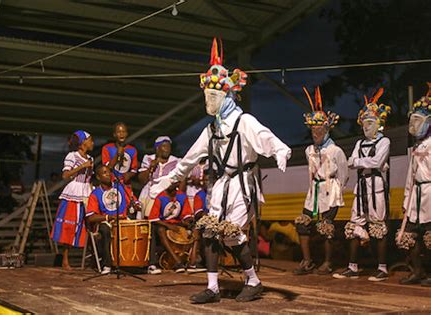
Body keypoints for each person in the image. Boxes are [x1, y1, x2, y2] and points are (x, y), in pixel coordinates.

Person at [151, 38, 291, 304]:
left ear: (228, 96)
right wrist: (166, 180)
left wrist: (281, 153)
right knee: (208, 231)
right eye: (207, 95)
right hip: (222, 185)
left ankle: (253, 280)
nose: (209, 100)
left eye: (214, 95)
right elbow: (188, 161)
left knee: (231, 233)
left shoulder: (244, 121)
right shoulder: (211, 129)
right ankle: (213, 287)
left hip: (242, 184)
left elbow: (267, 139)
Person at [333, 88, 392, 282]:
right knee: (354, 225)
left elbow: (375, 163)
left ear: (378, 124)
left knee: (378, 226)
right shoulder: (359, 143)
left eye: (370, 123)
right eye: (364, 123)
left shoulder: (385, 142)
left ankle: (382, 268)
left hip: (376, 188)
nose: (366, 127)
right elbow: (351, 161)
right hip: (361, 189)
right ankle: (352, 266)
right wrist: (360, 162)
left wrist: (358, 162)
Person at [293, 86, 348, 276]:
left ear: (326, 129)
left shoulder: (336, 151)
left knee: (327, 227)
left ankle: (327, 262)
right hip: (313, 192)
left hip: (330, 190)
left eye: (319, 129)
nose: (315, 132)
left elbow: (344, 174)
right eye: (313, 129)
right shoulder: (309, 150)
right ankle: (307, 261)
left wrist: (334, 190)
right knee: (302, 223)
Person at [396, 83, 431, 286]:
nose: (414, 125)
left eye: (418, 121)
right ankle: (418, 271)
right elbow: (411, 176)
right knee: (411, 233)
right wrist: (407, 199)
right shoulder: (417, 146)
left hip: (429, 193)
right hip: (417, 195)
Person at [51, 130, 94, 270]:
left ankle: (91, 258)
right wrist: (82, 166)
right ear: (83, 143)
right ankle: (65, 259)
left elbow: (89, 178)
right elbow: (65, 175)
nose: (92, 143)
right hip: (74, 191)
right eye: (90, 140)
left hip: (86, 191)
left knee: (88, 225)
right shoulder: (72, 156)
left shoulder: (91, 158)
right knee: (70, 225)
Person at [85, 165, 140, 275]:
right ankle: (107, 264)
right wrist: (109, 217)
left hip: (124, 220)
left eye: (109, 172)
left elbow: (134, 202)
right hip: (107, 222)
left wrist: (136, 205)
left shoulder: (120, 187)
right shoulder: (95, 194)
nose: (108, 174)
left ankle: (141, 263)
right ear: (99, 177)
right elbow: (91, 217)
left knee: (143, 227)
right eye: (105, 173)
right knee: (105, 230)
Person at [148, 183, 203, 274]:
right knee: (159, 229)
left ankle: (192, 263)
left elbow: (186, 214)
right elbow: (153, 218)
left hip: (177, 223)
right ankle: (177, 261)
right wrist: (168, 226)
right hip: (163, 224)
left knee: (196, 228)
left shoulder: (181, 196)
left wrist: (188, 221)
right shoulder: (160, 197)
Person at [138, 136, 179, 218]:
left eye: (169, 146)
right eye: (164, 146)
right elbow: (142, 180)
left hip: (166, 195)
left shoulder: (176, 161)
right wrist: (150, 168)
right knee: (145, 219)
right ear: (157, 148)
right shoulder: (148, 158)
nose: (167, 149)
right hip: (148, 194)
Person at [102, 122, 138, 187]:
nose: (121, 134)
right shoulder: (107, 148)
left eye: (123, 132)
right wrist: (117, 154)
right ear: (114, 134)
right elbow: (107, 168)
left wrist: (129, 174)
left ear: (127, 134)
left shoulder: (132, 150)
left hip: (125, 185)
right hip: (111, 184)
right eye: (119, 132)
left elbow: (134, 169)